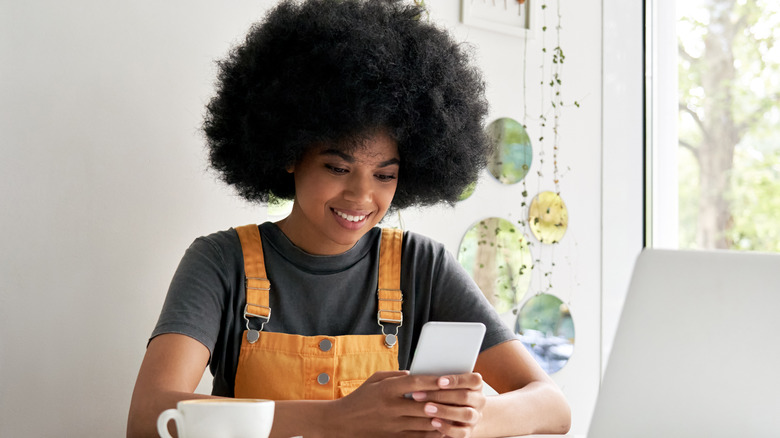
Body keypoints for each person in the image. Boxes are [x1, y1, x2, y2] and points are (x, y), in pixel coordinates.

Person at [127, 0, 571, 437]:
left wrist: (467, 417)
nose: (361, 196)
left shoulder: (422, 267)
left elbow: (552, 407)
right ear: (289, 155)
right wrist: (337, 418)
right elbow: (149, 416)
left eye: (385, 174)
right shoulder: (222, 263)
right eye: (337, 168)